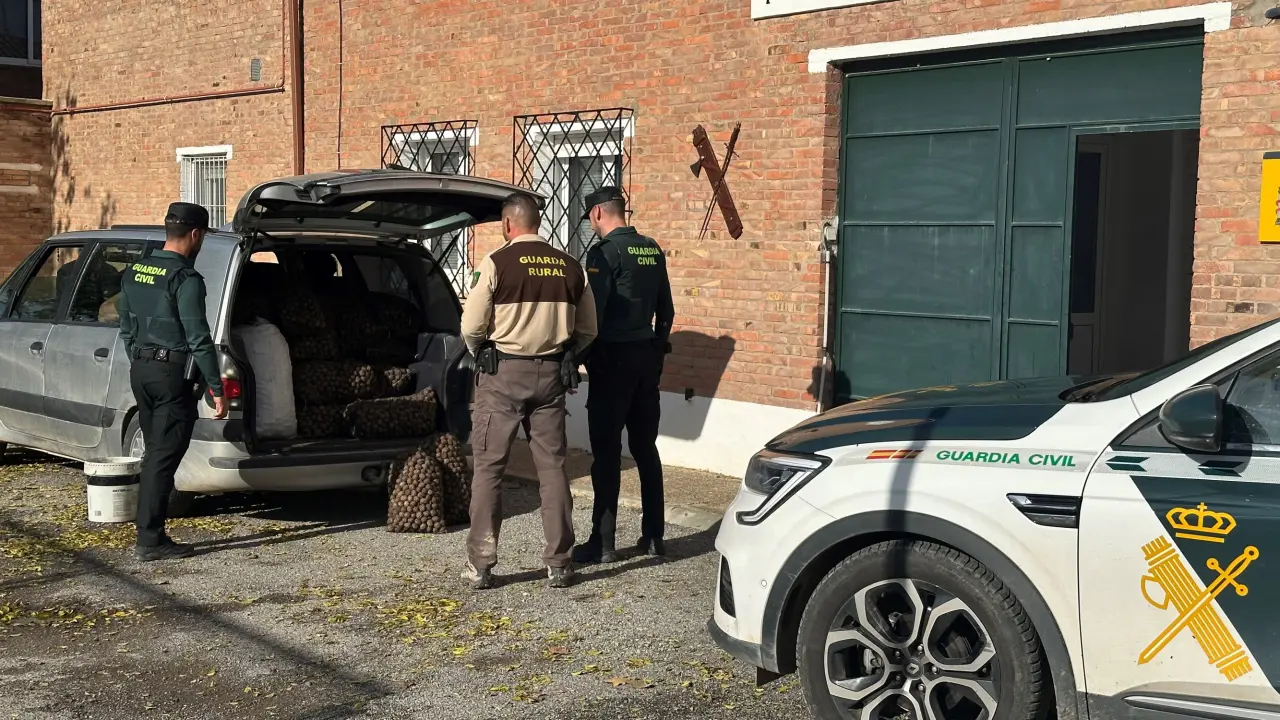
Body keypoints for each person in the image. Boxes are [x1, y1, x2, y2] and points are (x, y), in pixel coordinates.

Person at [459, 192, 598, 590]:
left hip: (502, 374)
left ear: (507, 224)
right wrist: (569, 354)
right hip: (551, 376)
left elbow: (471, 326)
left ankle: (480, 566)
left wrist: (481, 350)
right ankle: (560, 564)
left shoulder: (496, 262)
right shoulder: (571, 265)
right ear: (539, 222)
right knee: (552, 468)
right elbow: (590, 329)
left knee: (489, 468)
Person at [117, 202, 228, 562]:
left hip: (141, 370)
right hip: (170, 377)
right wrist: (216, 388)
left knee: (155, 453)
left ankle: (151, 534)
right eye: (203, 236)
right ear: (195, 234)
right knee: (161, 459)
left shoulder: (135, 270)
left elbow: (125, 325)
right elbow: (199, 339)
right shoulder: (185, 279)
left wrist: (141, 358)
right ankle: (150, 540)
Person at [572, 187, 674, 565]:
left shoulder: (605, 252)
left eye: (590, 218)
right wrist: (656, 351)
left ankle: (603, 543)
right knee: (646, 449)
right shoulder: (651, 248)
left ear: (598, 213)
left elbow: (592, 316)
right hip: (645, 359)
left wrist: (575, 359)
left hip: (612, 362)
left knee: (606, 453)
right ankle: (654, 536)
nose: (591, 224)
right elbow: (667, 311)